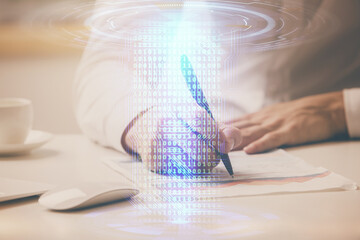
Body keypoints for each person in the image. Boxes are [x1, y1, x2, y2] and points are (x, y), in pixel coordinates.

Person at [74, 0, 360, 172]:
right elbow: (106, 62)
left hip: (343, 150)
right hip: (195, 154)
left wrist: (342, 108)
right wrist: (145, 122)